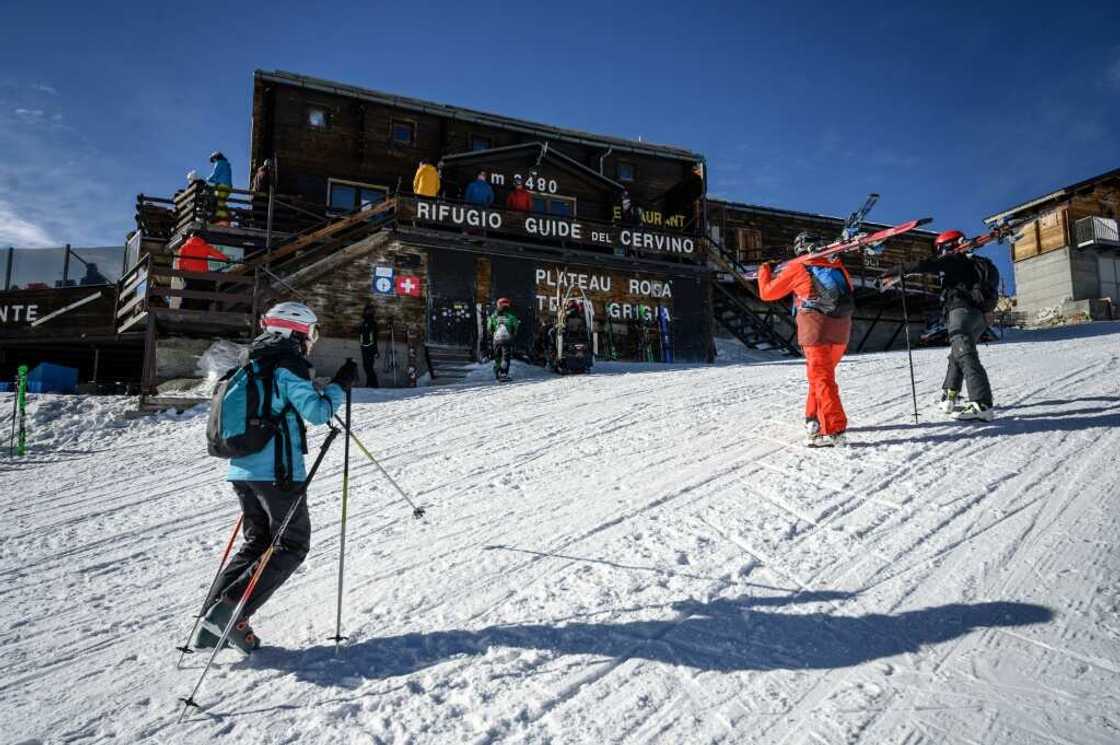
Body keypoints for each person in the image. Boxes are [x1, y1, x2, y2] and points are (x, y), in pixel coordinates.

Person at [196, 302, 356, 653]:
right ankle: (231, 613)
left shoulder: (250, 362)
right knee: (293, 544)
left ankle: (210, 625)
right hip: (278, 473)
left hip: (242, 469)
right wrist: (341, 385)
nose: (310, 342)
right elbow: (317, 413)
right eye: (309, 334)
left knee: (257, 544)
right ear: (294, 333)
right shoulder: (287, 365)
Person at [881, 229, 995, 421]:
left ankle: (981, 404)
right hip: (979, 317)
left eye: (940, 248)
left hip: (960, 312)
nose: (940, 253)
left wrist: (894, 272)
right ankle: (950, 394)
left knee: (966, 356)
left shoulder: (955, 259)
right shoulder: (980, 265)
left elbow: (925, 265)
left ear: (948, 246)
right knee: (957, 354)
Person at [757, 231, 855, 447]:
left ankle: (834, 429)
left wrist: (764, 270)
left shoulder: (798, 267)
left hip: (815, 329)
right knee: (820, 376)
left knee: (822, 379)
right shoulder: (838, 267)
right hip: (841, 331)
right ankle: (813, 420)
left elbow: (767, 293)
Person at [175, 235, 230, 310]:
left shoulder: (185, 246)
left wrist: (180, 271)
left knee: (188, 291)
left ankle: (183, 308)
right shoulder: (205, 246)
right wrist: (226, 259)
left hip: (189, 274)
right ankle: (203, 309)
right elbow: (216, 253)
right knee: (202, 290)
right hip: (202, 274)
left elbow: (180, 260)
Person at [487, 297, 520, 381]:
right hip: (507, 339)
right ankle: (503, 374)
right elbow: (515, 327)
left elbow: (489, 328)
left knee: (497, 356)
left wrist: (493, 334)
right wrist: (513, 335)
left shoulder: (493, 316)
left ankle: (497, 372)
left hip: (496, 339)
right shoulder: (511, 316)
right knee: (505, 357)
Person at [207, 151, 234, 226]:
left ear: (216, 158)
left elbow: (215, 174)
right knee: (222, 201)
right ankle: (227, 216)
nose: (213, 162)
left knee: (218, 202)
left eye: (213, 160)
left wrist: (208, 179)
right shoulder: (226, 164)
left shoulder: (219, 163)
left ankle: (222, 219)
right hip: (228, 186)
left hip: (222, 185)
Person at [359, 303, 380, 387]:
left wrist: (375, 350)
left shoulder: (373, 323)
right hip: (364, 347)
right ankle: (369, 383)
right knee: (366, 366)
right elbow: (360, 334)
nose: (367, 312)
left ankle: (374, 384)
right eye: (366, 311)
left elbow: (375, 338)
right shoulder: (363, 323)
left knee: (369, 366)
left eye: (369, 311)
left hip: (370, 347)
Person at [251, 159, 272, 228]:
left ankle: (255, 226)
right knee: (262, 214)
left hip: (255, 196)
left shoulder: (258, 172)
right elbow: (265, 185)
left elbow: (253, 184)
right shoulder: (266, 173)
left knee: (256, 214)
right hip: (261, 196)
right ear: (268, 166)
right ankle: (260, 227)